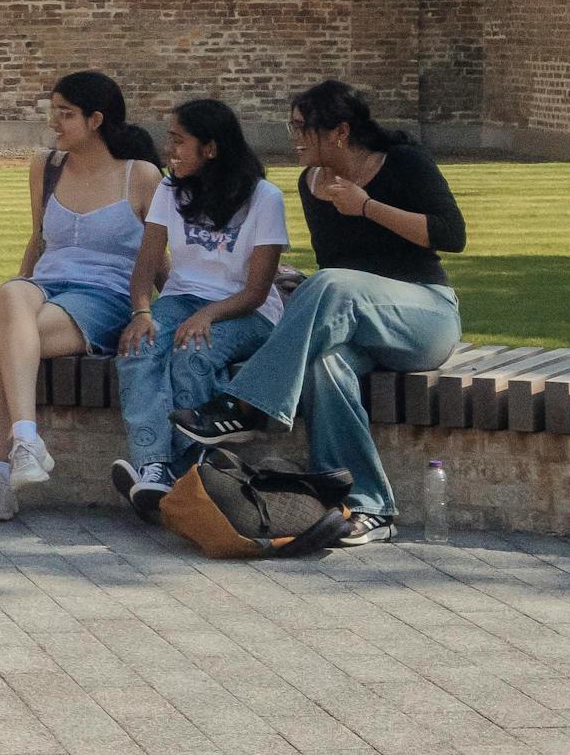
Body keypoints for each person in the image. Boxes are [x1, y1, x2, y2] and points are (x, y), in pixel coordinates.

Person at [175, 78, 466, 543]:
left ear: (339, 132)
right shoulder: (311, 184)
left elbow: (452, 235)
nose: (293, 136)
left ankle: (245, 404)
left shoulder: (405, 164)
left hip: (424, 318)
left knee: (331, 284)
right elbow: (341, 267)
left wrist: (367, 206)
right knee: (325, 367)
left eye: (301, 127)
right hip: (357, 320)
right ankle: (363, 504)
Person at [0, 71, 161, 522]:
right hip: (44, 288)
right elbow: (37, 239)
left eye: (65, 113)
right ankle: (26, 441)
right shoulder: (47, 166)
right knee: (8, 304)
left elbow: (159, 257)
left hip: (104, 298)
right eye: (53, 111)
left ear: (96, 119)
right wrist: (15, 292)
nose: (54, 122)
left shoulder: (142, 175)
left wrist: (156, 310)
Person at [107, 97, 287, 518]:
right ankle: (153, 467)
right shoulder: (170, 190)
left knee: (192, 356)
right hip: (181, 300)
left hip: (246, 310)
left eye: (178, 141)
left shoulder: (265, 198)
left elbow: (258, 291)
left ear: (211, 148)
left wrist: (207, 314)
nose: (169, 150)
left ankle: (187, 474)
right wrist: (142, 313)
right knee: (138, 347)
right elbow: (146, 265)